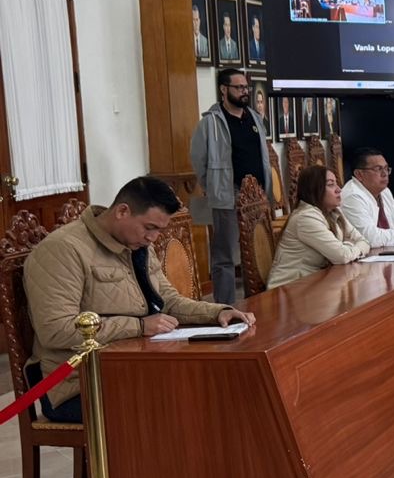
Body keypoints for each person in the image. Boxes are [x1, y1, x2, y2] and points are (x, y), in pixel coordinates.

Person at [23, 177, 254, 423]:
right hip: (78, 385)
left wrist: (217, 312)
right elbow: (55, 329)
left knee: (216, 382)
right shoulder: (63, 250)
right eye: (149, 227)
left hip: (133, 367)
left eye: (159, 230)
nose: (153, 238)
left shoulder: (136, 244)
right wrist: (139, 326)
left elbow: (168, 301)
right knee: (181, 401)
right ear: (122, 211)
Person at [189, 67, 271, 306]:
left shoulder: (254, 118)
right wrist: (213, 186)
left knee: (256, 249)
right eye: (239, 87)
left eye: (246, 87)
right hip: (229, 194)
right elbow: (198, 159)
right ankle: (225, 306)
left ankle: (258, 301)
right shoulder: (211, 122)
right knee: (225, 254)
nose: (244, 91)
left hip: (256, 194)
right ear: (224, 90)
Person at [268, 166, 371, 288]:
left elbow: (364, 241)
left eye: (336, 183)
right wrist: (350, 246)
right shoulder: (306, 218)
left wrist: (347, 247)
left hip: (315, 282)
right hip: (290, 287)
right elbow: (342, 256)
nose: (339, 189)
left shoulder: (334, 212)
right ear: (314, 189)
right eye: (331, 184)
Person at [340, 148, 394, 247]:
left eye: (386, 168)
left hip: (388, 251)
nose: (385, 174)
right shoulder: (352, 196)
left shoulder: (384, 191)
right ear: (359, 174)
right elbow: (370, 238)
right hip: (363, 254)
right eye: (378, 169)